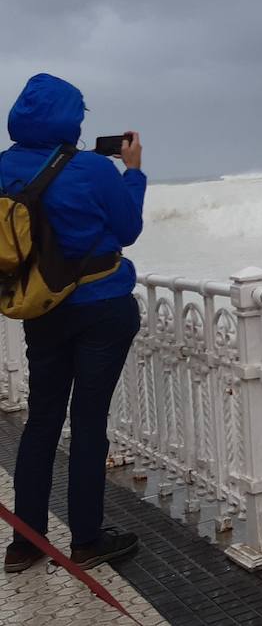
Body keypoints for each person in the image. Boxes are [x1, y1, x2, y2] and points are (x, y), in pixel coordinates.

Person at [1, 74, 145, 573]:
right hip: (101, 307)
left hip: (41, 310)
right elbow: (128, 228)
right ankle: (86, 539)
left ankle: (24, 542)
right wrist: (132, 172)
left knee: (41, 421)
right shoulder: (89, 168)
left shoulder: (2, 169)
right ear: (68, 119)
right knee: (88, 423)